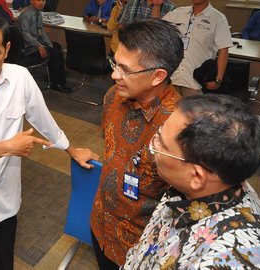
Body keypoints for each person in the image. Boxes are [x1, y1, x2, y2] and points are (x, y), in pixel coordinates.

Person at [0, 13, 99, 270]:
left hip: (4, 199)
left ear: (7, 48)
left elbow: (43, 119)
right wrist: (7, 147)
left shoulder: (20, 78)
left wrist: (71, 149)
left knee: (3, 263)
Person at [123, 94, 260, 269]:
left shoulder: (224, 262)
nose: (152, 146)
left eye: (161, 145)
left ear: (196, 177)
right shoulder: (218, 181)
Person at [89, 18, 184, 269]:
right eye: (114, 64)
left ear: (158, 76)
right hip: (100, 226)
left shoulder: (180, 129)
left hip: (140, 251)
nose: (113, 75)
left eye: (124, 69)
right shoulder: (113, 97)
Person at [163, 0, 232, 96]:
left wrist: (218, 80)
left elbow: (223, 50)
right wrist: (157, 7)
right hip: (172, 78)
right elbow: (155, 30)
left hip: (195, 82)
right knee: (169, 111)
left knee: (193, 111)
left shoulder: (218, 18)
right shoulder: (178, 13)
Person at [19, 0, 71, 93]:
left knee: (56, 46)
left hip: (36, 44)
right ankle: (57, 83)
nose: (41, 3)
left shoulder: (38, 13)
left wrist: (49, 45)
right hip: (29, 48)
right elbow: (25, 35)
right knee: (57, 53)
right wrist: (39, 46)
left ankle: (52, 77)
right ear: (31, 1)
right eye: (38, 0)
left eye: (43, 0)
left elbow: (41, 32)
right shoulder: (26, 15)